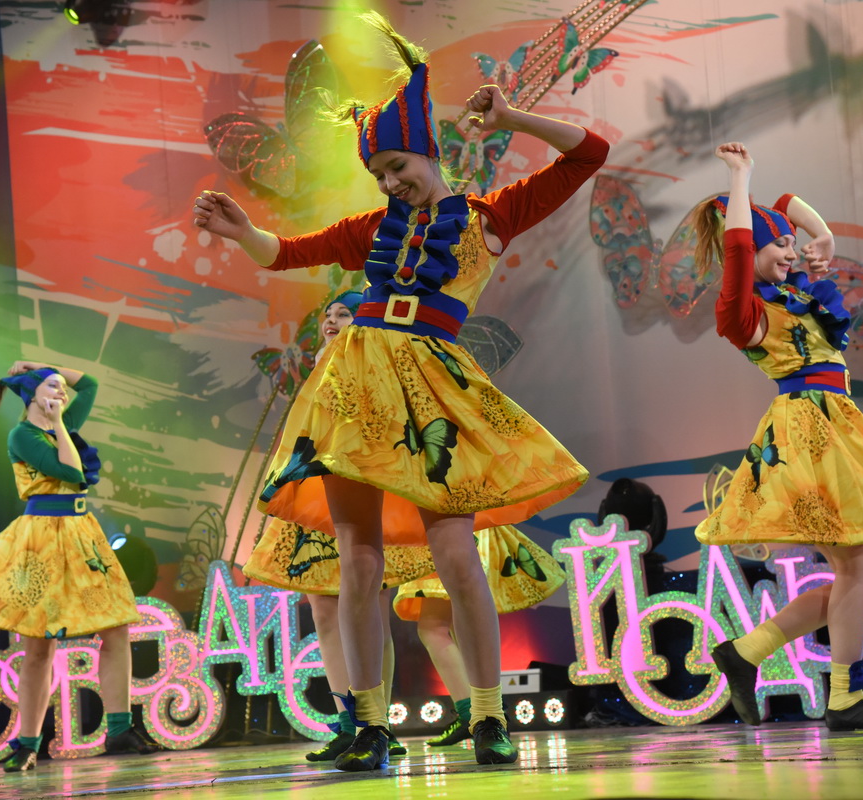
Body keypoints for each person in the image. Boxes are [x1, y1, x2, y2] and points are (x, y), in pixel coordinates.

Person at [194, 12, 607, 770]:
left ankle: (488, 717)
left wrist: (514, 118)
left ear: (428, 152)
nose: (389, 183)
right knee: (357, 559)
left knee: (455, 553)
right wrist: (242, 231)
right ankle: (369, 725)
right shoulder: (370, 228)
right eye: (379, 174)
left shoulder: (489, 217)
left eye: (396, 167)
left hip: (433, 391)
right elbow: (286, 252)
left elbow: (590, 154)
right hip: (357, 388)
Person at [693, 142, 863, 731]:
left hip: (836, 425)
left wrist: (822, 235)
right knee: (859, 563)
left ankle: (749, 653)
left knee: (857, 572)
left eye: (790, 244)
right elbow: (740, 248)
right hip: (808, 432)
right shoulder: (744, 312)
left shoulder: (797, 297)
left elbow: (788, 205)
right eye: (778, 245)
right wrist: (741, 176)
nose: (790, 252)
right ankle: (844, 697)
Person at [244, 291, 437, 762]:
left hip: (361, 499)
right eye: (327, 316)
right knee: (324, 613)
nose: (332, 321)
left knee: (372, 606)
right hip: (315, 502)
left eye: (344, 313)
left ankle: (377, 721)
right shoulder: (316, 371)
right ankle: (348, 723)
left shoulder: (374, 366)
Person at [0, 361, 162, 771]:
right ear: (32, 395)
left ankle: (119, 728)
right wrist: (58, 423)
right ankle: (27, 744)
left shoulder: (62, 422)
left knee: (116, 628)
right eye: (51, 387)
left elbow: (90, 384)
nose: (62, 392)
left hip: (82, 534)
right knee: (39, 646)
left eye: (61, 387)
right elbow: (70, 471)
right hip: (42, 538)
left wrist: (41, 367)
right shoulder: (22, 435)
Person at [393, 526, 566, 746]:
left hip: (443, 531)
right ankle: (483, 712)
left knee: (434, 627)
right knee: (458, 619)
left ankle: (475, 712)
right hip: (466, 529)